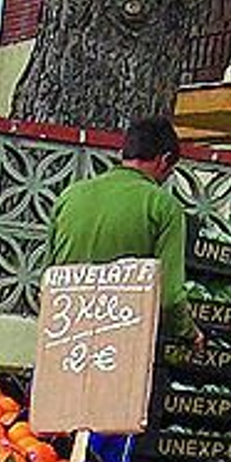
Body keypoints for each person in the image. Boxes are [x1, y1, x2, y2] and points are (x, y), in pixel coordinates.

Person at [46, 115, 192, 337]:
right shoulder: (164, 206)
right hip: (123, 343)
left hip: (65, 339)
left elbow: (48, 279)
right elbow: (169, 298)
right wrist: (189, 333)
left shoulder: (69, 196)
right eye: (170, 171)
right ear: (164, 160)